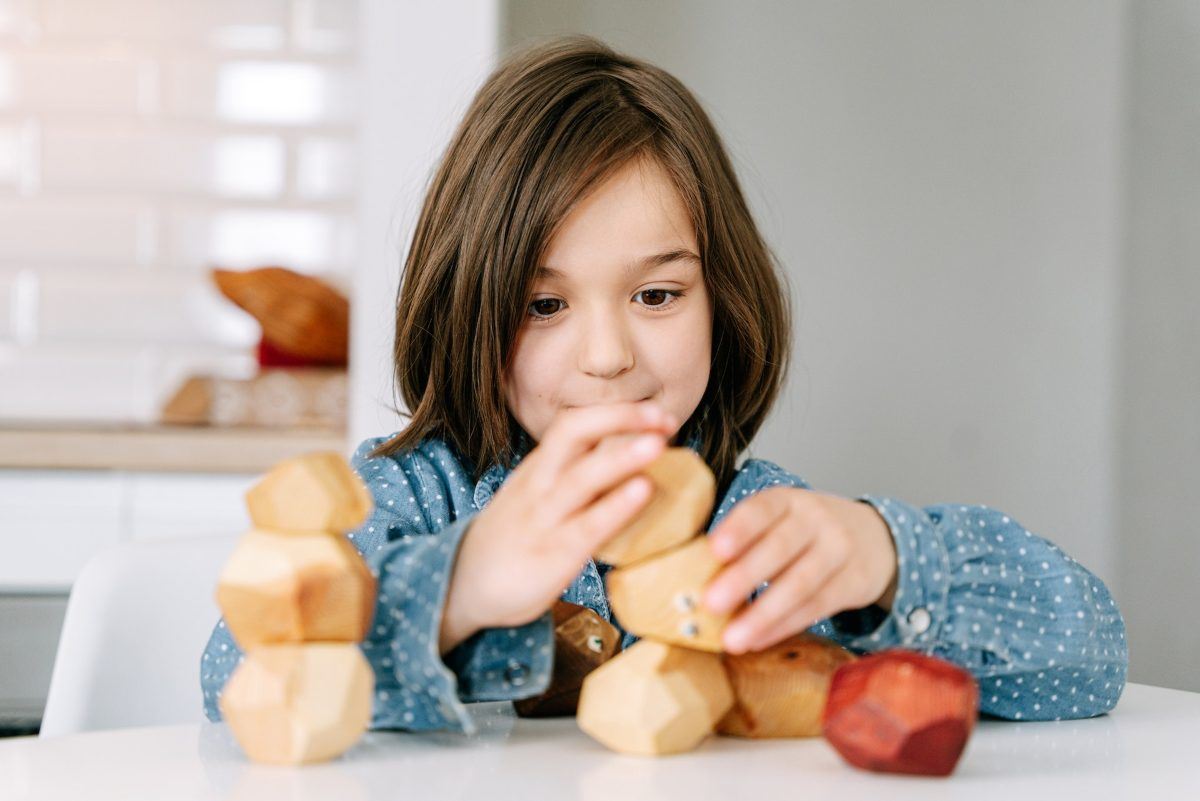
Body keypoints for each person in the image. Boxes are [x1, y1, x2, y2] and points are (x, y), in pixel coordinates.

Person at [201, 36, 1127, 733]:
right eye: (543, 304)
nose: (607, 356)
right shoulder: (404, 498)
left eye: (655, 294)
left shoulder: (753, 525)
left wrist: (886, 558)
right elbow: (231, 676)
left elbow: (1092, 660)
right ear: (468, 309)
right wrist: (463, 586)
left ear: (723, 301)